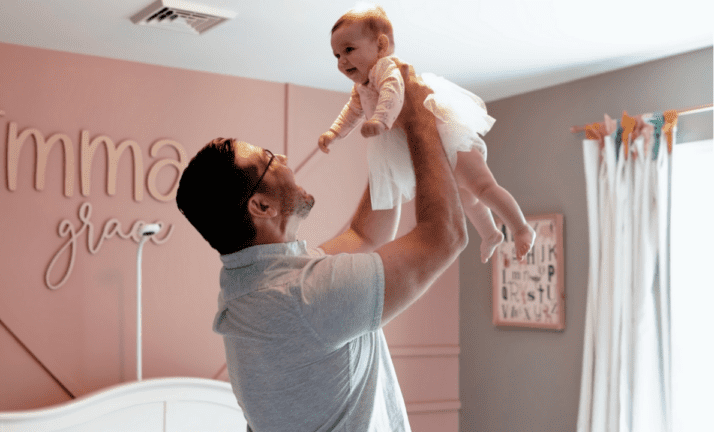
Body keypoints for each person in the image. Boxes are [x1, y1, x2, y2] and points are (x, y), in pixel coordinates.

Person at [176, 60, 467, 431]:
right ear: (261, 206)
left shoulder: (254, 288)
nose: (281, 158)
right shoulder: (302, 297)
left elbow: (365, 236)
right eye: (268, 159)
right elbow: (446, 236)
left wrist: (386, 133)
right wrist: (419, 114)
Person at [318, 4, 535, 262]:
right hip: (432, 150)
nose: (342, 61)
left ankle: (521, 229)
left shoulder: (387, 69)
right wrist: (333, 133)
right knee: (468, 200)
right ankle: (490, 234)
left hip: (448, 138)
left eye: (349, 50)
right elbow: (351, 113)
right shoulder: (360, 88)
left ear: (380, 46)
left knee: (483, 187)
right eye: (337, 55)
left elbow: (392, 95)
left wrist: (380, 120)